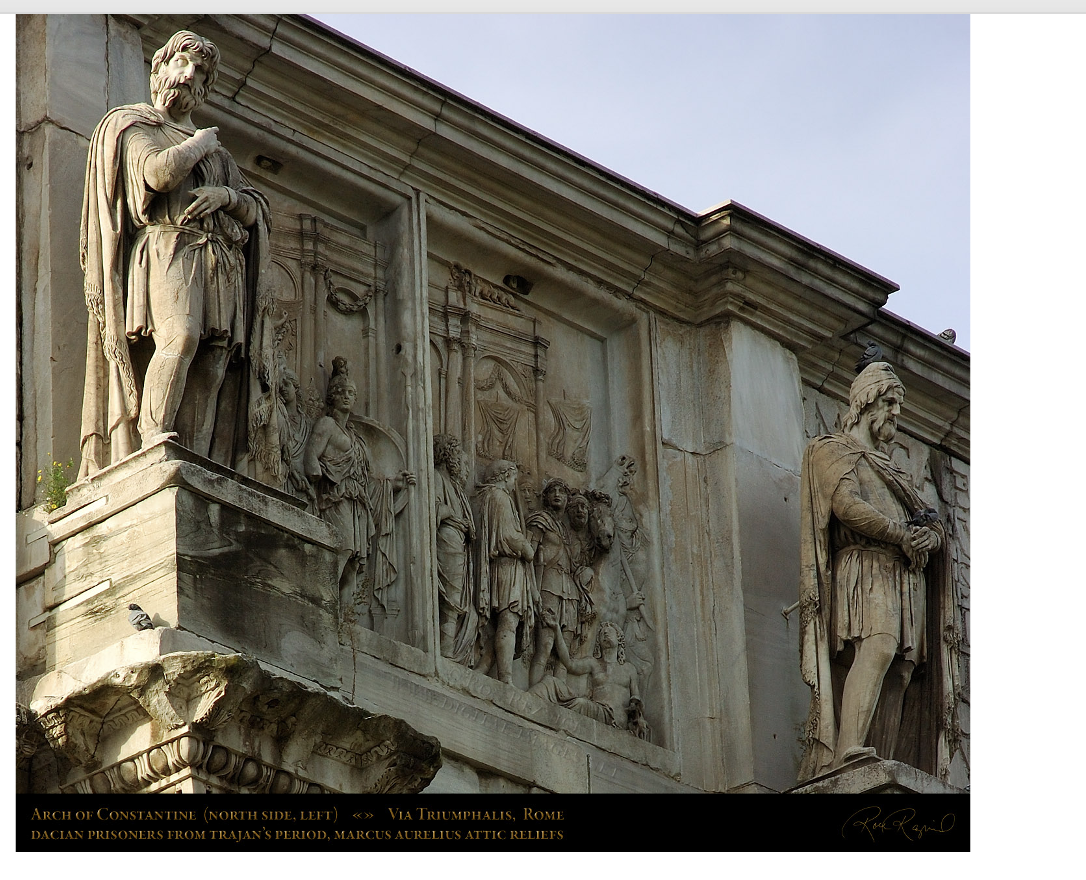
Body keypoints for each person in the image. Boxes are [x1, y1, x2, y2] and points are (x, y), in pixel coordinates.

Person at [78, 30, 277, 480]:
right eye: (181, 65)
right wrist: (200, 144)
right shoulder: (132, 125)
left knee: (214, 357)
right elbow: (157, 173)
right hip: (167, 246)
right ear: (159, 70)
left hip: (218, 260)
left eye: (200, 72)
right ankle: (153, 436)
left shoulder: (220, 155)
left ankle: (199, 457)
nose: (189, 76)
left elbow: (255, 208)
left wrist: (225, 196)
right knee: (181, 337)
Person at [798, 361, 955, 780]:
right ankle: (847, 750)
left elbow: (930, 517)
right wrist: (899, 534)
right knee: (878, 647)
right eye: (889, 403)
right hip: (865, 566)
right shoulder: (832, 449)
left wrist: (929, 538)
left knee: (902, 671)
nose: (895, 414)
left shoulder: (893, 467)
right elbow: (846, 506)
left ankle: (879, 761)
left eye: (899, 406)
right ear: (866, 401)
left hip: (905, 576)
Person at [306, 359, 413, 625]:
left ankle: (344, 621)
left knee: (353, 563)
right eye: (341, 392)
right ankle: (322, 612)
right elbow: (311, 457)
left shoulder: (353, 435)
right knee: (340, 553)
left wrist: (393, 483)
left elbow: (366, 478)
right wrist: (315, 480)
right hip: (335, 497)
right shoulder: (326, 425)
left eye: (351, 393)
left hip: (356, 500)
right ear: (332, 395)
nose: (346, 397)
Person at [475, 460, 537, 684]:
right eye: (512, 479)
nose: (513, 485)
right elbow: (507, 536)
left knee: (501, 624)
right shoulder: (500, 498)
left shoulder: (485, 497)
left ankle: (482, 669)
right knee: (508, 621)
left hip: (500, 567)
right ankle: (506, 679)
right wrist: (526, 547)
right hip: (507, 567)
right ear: (504, 476)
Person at [526, 479, 580, 686]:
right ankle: (535, 693)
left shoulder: (565, 530)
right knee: (546, 644)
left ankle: (560, 696)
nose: (558, 494)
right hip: (548, 585)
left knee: (564, 650)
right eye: (553, 491)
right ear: (546, 497)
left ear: (567, 499)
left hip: (569, 591)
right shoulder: (540, 520)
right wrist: (532, 588)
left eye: (562, 491)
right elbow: (528, 553)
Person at [433, 434, 476, 662]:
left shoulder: (456, 488)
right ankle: (444, 651)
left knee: (455, 598)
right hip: (447, 540)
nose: (463, 464)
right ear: (449, 455)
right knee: (449, 598)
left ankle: (448, 650)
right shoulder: (437, 477)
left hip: (458, 543)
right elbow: (434, 509)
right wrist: (453, 515)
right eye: (460, 457)